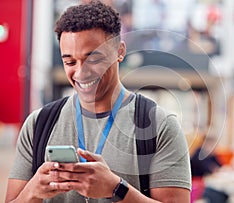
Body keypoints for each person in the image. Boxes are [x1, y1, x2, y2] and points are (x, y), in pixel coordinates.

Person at [5, 1, 191, 202]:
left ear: (120, 51)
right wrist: (33, 191)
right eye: (69, 62)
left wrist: (117, 189)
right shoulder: (38, 124)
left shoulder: (159, 126)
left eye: (93, 59)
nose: (81, 72)